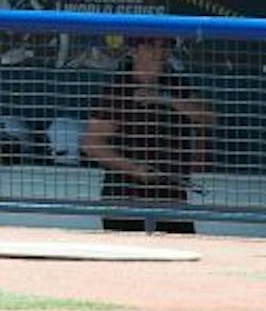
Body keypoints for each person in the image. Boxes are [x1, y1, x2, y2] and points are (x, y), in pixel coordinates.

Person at [81, 37, 214, 232]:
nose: (159, 53)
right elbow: (91, 144)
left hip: (170, 193)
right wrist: (134, 168)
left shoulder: (175, 83)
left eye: (165, 46)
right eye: (151, 46)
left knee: (179, 253)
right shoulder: (119, 88)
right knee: (126, 257)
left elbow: (207, 118)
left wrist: (164, 99)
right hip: (124, 196)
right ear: (134, 51)